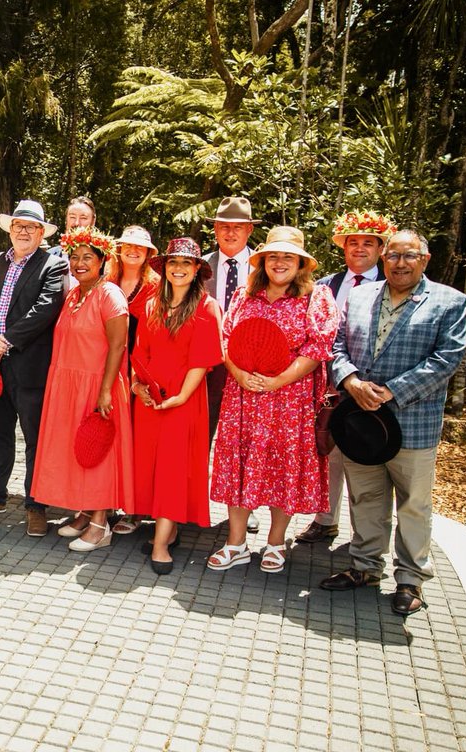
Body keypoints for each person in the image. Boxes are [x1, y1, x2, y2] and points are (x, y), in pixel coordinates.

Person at [320, 230, 466, 616]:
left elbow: (446, 360)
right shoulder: (360, 296)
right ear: (384, 258)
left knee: (413, 505)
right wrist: (350, 380)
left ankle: (410, 579)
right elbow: (336, 346)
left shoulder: (449, 302)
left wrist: (389, 392)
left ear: (425, 259)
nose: (400, 263)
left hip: (412, 422)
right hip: (359, 420)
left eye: (410, 256)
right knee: (365, 498)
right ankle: (365, 568)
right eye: (394, 256)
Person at [207, 227, 340, 575]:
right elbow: (226, 338)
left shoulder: (316, 297)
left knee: (283, 467)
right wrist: (236, 372)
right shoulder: (243, 296)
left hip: (289, 400)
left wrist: (279, 379)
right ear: (263, 261)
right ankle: (236, 542)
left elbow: (318, 347)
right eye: (273, 256)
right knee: (239, 464)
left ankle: (276, 542)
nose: (279, 263)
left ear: (301, 264)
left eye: (288, 257)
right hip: (243, 397)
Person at [0, 199, 66, 538]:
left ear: (40, 233)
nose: (23, 231)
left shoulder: (53, 265)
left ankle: (35, 506)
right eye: (18, 225)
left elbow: (45, 309)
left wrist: (5, 340)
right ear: (10, 229)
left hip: (30, 364)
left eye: (30, 227)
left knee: (34, 438)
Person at [31, 227, 133, 552]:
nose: (79, 263)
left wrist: (105, 391)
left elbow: (118, 346)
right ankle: (84, 512)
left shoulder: (110, 295)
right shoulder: (74, 294)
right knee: (77, 451)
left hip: (96, 384)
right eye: (74, 257)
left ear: (103, 260)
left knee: (96, 452)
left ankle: (101, 525)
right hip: (68, 384)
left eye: (87, 257)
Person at [295, 211, 393, 546]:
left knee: (366, 459)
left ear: (381, 248)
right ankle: (325, 521)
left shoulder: (393, 283)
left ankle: (366, 538)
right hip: (330, 383)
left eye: (368, 243)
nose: (360, 249)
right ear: (344, 247)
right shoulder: (325, 286)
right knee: (328, 450)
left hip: (375, 386)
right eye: (353, 243)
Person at [131, 238, 223, 573]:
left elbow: (202, 360)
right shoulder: (152, 303)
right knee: (151, 466)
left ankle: (160, 545)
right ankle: (164, 532)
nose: (179, 269)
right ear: (165, 267)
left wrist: (182, 397)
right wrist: (137, 384)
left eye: (187, 263)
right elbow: (139, 349)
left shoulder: (206, 307)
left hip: (183, 399)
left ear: (198, 269)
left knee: (172, 470)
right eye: (173, 263)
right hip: (150, 398)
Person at [202, 196, 262, 534]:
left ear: (249, 229)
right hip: (204, 368)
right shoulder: (200, 265)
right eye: (224, 226)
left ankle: (245, 505)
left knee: (245, 442)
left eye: (237, 227)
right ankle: (191, 500)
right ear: (215, 229)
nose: (230, 232)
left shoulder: (265, 266)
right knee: (200, 437)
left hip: (247, 368)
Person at [109, 225, 161, 537]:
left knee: (138, 439)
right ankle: (110, 499)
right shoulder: (108, 279)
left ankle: (137, 508)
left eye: (139, 247)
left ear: (147, 254)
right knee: (113, 434)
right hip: (109, 365)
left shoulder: (155, 286)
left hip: (139, 368)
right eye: (127, 245)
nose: (132, 251)